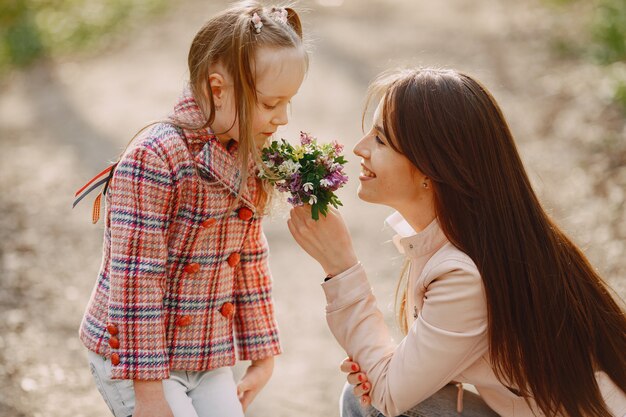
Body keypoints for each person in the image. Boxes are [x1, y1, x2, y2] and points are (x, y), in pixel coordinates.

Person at [288, 68, 626, 416]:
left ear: (430, 171)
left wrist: (340, 266)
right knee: (367, 394)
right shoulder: (478, 239)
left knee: (373, 403)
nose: (361, 148)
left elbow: (389, 396)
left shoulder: (464, 273)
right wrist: (382, 369)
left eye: (381, 140)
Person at [77, 2, 307, 417]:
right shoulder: (156, 157)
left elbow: (248, 260)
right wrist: (148, 396)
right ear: (217, 89)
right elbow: (135, 282)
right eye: (271, 104)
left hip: (204, 350)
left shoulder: (246, 155)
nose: (284, 118)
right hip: (137, 356)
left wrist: (262, 352)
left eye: (289, 102)